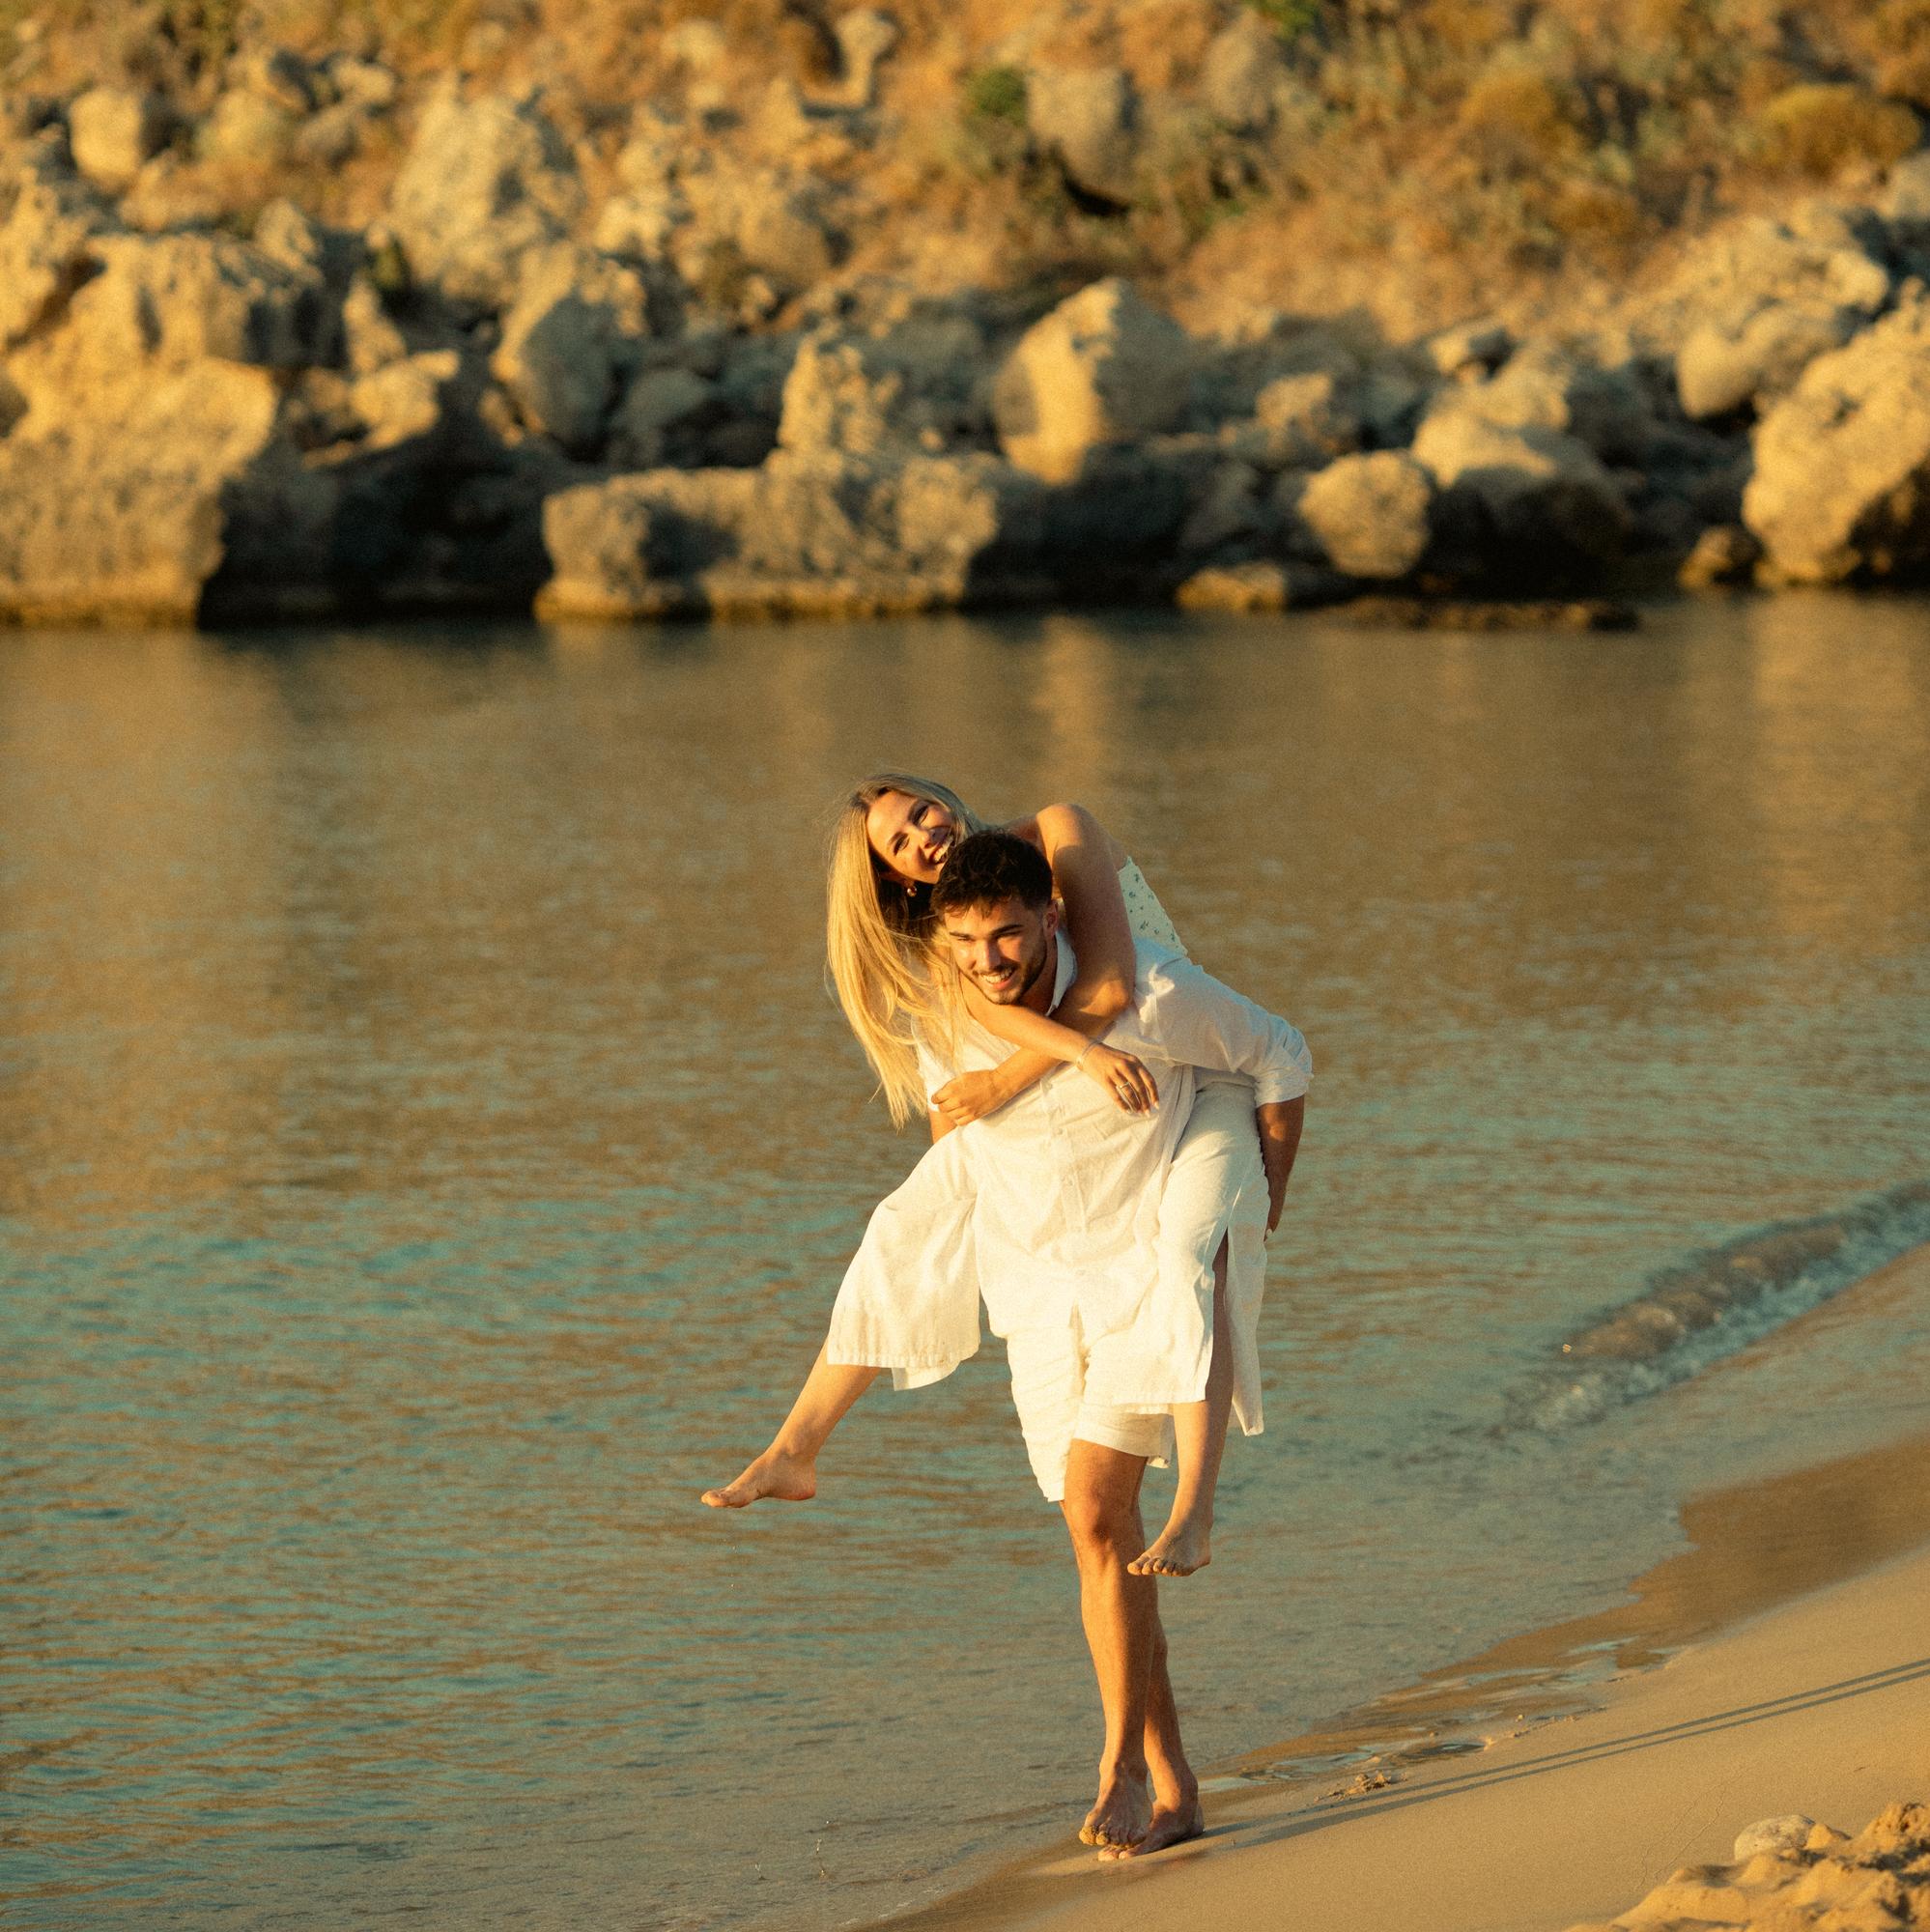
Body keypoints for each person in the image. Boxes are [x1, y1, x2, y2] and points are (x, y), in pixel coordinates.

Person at [703, 831, 1310, 1859]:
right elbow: (964, 1153)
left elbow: (1280, 1051)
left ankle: (1118, 1761)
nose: (991, 960)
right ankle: (1178, 1784)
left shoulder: (1147, 994)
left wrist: (1259, 1211)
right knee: (1099, 1537)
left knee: (1095, 1509)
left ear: (1054, 918)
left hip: (1135, 1271)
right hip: (1042, 1291)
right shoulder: (951, 1021)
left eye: (1010, 935)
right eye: (969, 942)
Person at [822, 773, 1273, 1577]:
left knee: (1190, 1257)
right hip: (1108, 1125)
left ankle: (1199, 1511)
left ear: (942, 794)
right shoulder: (957, 940)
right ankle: (804, 1437)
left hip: (1191, 1071)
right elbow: (958, 1083)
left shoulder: (1060, 833)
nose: (926, 834)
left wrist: (1002, 1085)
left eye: (921, 811)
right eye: (901, 842)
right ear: (899, 878)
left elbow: (1106, 985)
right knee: (915, 1216)